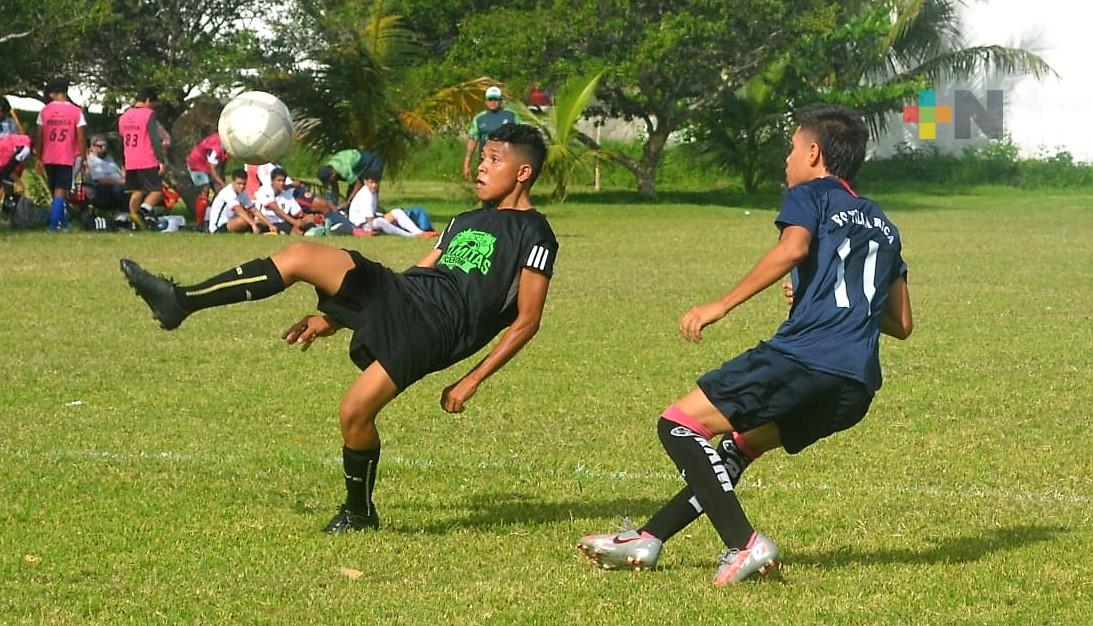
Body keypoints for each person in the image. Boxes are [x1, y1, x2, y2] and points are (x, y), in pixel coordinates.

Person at [120, 123, 558, 534]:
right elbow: (416, 274)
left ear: (523, 172)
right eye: (482, 157)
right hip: (406, 295)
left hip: (435, 330)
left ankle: (357, 511)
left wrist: (470, 381)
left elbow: (527, 321)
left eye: (494, 160)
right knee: (299, 256)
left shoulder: (535, 233)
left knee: (354, 413)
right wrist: (335, 316)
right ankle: (180, 302)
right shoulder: (463, 220)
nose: (481, 167)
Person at [575, 105, 914, 585]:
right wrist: (817, 291)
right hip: (855, 383)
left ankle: (745, 544)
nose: (787, 159)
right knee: (735, 450)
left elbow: (793, 248)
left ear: (814, 153)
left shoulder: (810, 194)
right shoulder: (883, 225)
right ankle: (648, 538)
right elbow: (899, 322)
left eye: (792, 148)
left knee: (679, 425)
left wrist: (721, 304)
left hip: (804, 356)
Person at [35, 78, 87, 231]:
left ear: (52, 94)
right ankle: (53, 226)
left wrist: (38, 157)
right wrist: (84, 158)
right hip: (66, 156)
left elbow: (39, 135)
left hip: (49, 155)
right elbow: (81, 137)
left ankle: (63, 224)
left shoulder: (45, 111)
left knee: (56, 191)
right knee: (60, 191)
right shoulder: (76, 111)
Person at [118, 88, 168, 229]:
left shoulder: (124, 116)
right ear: (147, 100)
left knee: (137, 191)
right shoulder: (149, 115)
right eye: (152, 103)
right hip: (147, 158)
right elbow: (154, 139)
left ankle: (134, 222)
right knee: (157, 191)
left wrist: (123, 162)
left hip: (131, 160)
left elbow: (122, 139)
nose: (153, 107)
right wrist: (161, 161)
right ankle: (142, 212)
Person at [346, 175, 433, 238]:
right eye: (371, 182)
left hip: (369, 221)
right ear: (365, 182)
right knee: (380, 221)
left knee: (397, 212)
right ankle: (411, 235)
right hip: (360, 225)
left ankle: (420, 232)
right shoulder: (365, 194)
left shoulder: (372, 192)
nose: (374, 185)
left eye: (376, 182)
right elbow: (369, 218)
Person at [463, 86, 520, 181]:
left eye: (496, 99)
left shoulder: (511, 116)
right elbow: (473, 139)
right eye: (490, 99)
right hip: (486, 160)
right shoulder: (479, 118)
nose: (493, 102)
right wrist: (466, 164)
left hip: (505, 159)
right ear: (485, 101)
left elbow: (522, 134)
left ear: (501, 101)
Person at [315, 148, 384, 208]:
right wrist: (334, 203)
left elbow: (358, 184)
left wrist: (348, 202)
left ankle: (371, 214)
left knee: (369, 191)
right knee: (350, 195)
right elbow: (334, 186)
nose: (330, 182)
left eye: (329, 180)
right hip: (357, 167)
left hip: (371, 163)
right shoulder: (331, 168)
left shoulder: (343, 169)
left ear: (333, 174)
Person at [186, 130, 229, 225]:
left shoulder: (228, 145)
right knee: (204, 191)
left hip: (208, 165)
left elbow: (222, 164)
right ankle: (200, 223)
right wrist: (222, 183)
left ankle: (215, 218)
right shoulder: (216, 148)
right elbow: (212, 168)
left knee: (220, 192)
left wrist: (221, 182)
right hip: (197, 164)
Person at [206, 169, 266, 233]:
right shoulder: (227, 192)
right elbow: (238, 209)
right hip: (218, 227)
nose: (242, 186)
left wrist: (270, 224)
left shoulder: (243, 193)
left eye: (244, 184)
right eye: (239, 184)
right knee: (244, 220)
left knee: (258, 220)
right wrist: (253, 224)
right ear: (232, 182)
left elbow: (253, 209)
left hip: (231, 222)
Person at [85, 135, 127, 212]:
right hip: (102, 191)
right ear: (92, 147)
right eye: (100, 146)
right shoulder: (91, 161)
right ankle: (125, 212)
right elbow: (100, 180)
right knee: (120, 189)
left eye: (105, 146)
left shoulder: (108, 158)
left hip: (118, 185)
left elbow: (119, 172)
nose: (104, 148)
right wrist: (121, 182)